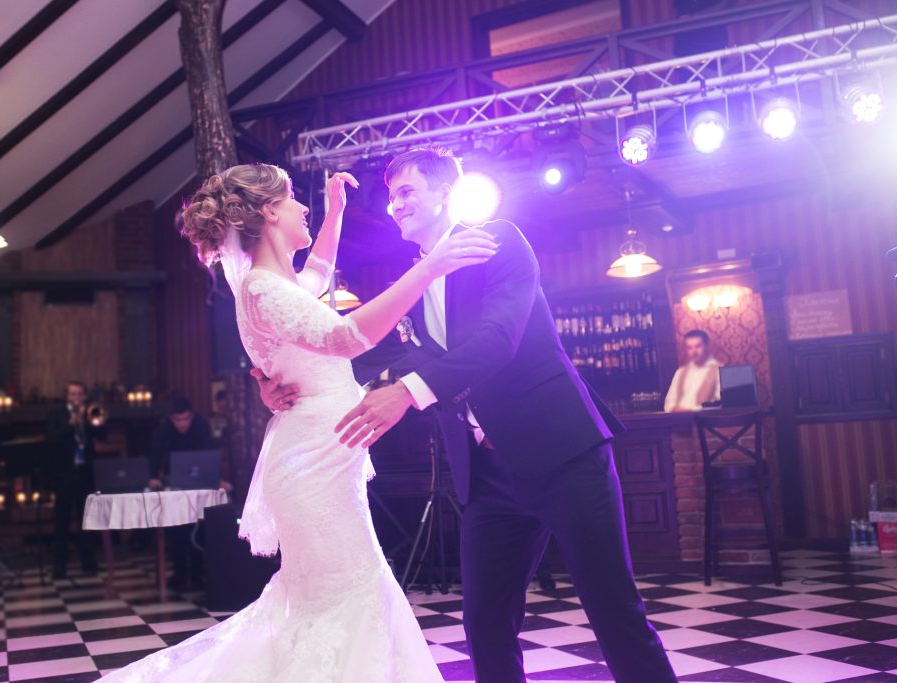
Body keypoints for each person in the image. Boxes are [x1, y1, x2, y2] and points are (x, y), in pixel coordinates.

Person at [258, 147, 677, 683]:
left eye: (407, 192)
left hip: (562, 455)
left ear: (444, 194)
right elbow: (386, 357)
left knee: (615, 611)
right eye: (391, 197)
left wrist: (407, 393)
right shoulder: (416, 278)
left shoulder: (497, 241)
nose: (395, 206)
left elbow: (496, 341)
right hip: (487, 478)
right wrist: (287, 380)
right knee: (485, 624)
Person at [99, 163, 495, 682]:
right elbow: (346, 338)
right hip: (312, 465)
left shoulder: (273, 284)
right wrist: (427, 269)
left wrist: (334, 215)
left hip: (322, 456)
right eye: (293, 201)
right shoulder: (262, 289)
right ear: (267, 212)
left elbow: (317, 276)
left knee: (341, 597)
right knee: (345, 597)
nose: (302, 208)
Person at [148, 394, 230, 589]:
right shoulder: (164, 428)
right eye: (177, 420)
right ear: (170, 418)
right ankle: (180, 573)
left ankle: (197, 573)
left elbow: (210, 452)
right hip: (173, 484)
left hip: (199, 482)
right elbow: (155, 452)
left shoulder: (200, 425)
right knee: (176, 529)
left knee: (199, 528)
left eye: (186, 419)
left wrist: (217, 478)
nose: (182, 424)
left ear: (191, 416)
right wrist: (152, 476)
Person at [48, 381, 101, 579]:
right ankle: (59, 566)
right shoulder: (56, 414)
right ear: (67, 397)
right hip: (64, 473)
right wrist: (70, 426)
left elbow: (102, 435)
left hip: (85, 473)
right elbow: (51, 437)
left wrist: (93, 421)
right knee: (61, 519)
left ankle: (89, 562)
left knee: (87, 519)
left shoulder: (90, 412)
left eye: (79, 394)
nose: (76, 398)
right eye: (72, 394)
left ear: (85, 396)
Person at [664, 329, 721, 413]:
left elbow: (719, 404)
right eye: (689, 348)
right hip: (679, 422)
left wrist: (689, 410)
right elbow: (668, 403)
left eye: (698, 346)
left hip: (707, 423)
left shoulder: (719, 371)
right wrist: (674, 408)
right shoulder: (680, 372)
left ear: (707, 346)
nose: (694, 352)